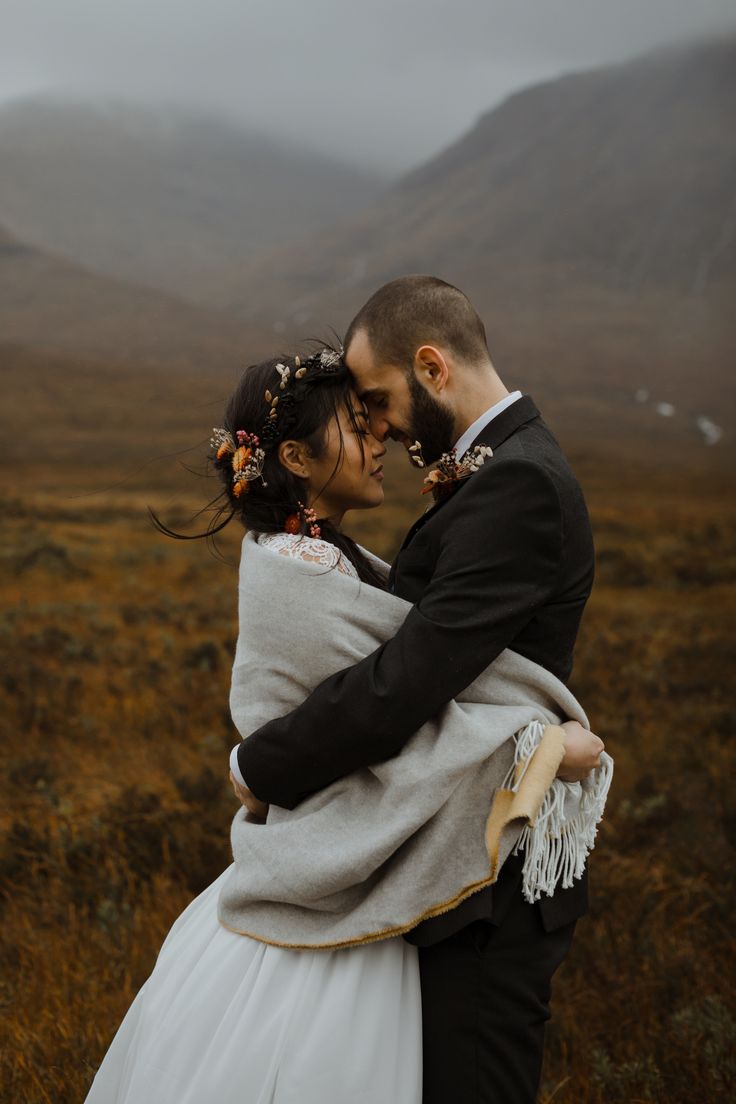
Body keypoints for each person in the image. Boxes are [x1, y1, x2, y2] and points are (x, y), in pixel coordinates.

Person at [85, 336, 605, 1103]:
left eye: (374, 418)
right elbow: (393, 700)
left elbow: (409, 693)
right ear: (295, 458)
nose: (378, 440)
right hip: (338, 880)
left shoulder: (329, 554)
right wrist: (544, 744)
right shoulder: (297, 567)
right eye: (357, 427)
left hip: (362, 876)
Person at [230, 276, 605, 1104]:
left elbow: (407, 681)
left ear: (432, 367)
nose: (375, 428)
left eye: (377, 401)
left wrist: (263, 764)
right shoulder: (498, 472)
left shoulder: (519, 485)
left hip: (488, 881)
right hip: (453, 856)